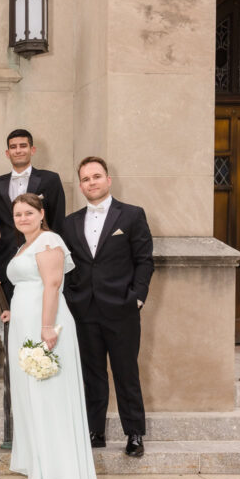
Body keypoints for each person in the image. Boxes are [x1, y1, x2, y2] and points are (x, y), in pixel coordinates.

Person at [0, 193, 98, 479]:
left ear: (42, 213)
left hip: (45, 323)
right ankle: (36, 463)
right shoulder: (24, 246)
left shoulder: (49, 241)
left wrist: (46, 326)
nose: (23, 219)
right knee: (29, 393)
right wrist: (11, 311)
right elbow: (27, 285)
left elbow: (52, 285)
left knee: (47, 392)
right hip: (22, 321)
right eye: (18, 215)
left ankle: (56, 471)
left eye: (29, 213)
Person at [62, 157, 154, 457]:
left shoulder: (131, 215)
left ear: (108, 179)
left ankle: (135, 433)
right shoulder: (70, 222)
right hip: (85, 309)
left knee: (126, 372)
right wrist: (72, 298)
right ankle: (95, 431)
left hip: (122, 308)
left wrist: (137, 297)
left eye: (97, 176)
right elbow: (67, 265)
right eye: (86, 179)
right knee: (92, 374)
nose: (92, 182)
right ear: (81, 185)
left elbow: (144, 260)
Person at [0, 129, 66, 302]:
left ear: (32, 149)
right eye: (13, 147)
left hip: (43, 261)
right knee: (11, 316)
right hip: (6, 263)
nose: (18, 150)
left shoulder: (50, 180)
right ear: (7, 153)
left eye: (23, 145)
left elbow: (58, 222)